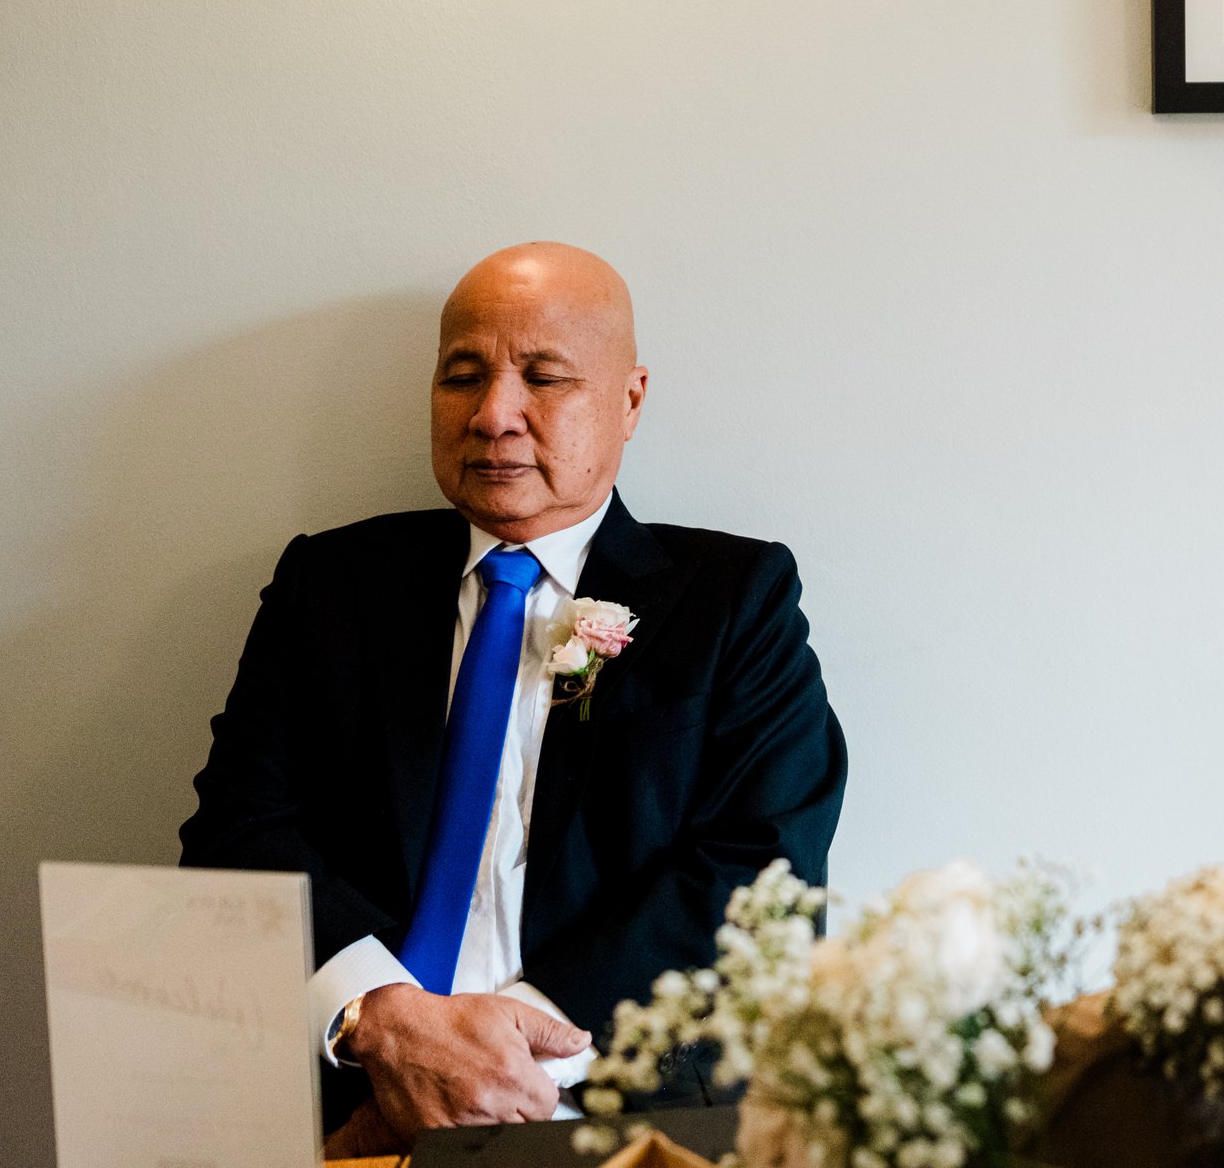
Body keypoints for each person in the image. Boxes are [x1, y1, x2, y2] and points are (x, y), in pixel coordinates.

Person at [179, 242, 846, 1147]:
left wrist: (509, 1053)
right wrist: (379, 1019)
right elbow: (236, 828)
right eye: (462, 375)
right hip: (342, 1101)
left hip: (617, 1116)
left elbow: (764, 868)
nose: (494, 415)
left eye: (544, 377)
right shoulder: (329, 584)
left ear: (630, 399)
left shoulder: (736, 598)